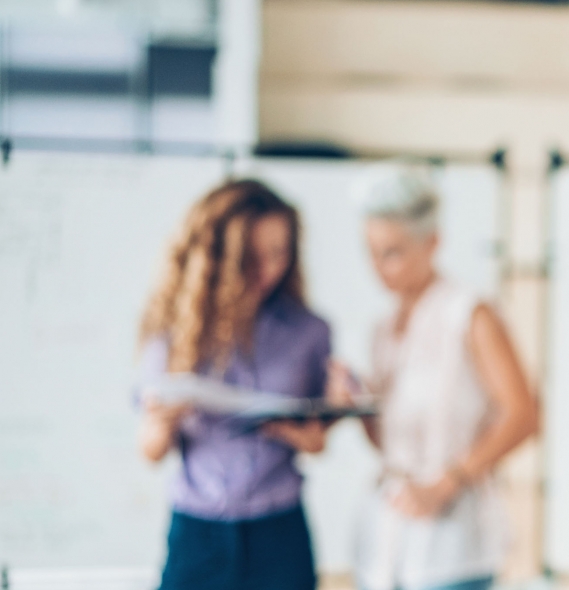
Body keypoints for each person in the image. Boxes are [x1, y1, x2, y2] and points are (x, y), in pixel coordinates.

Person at [330, 164, 540, 590]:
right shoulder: (384, 329)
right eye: (370, 251)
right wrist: (358, 408)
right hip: (387, 533)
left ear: (432, 243)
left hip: (454, 541)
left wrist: (446, 484)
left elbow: (525, 415)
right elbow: (388, 442)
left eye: (392, 252)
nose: (379, 268)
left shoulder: (471, 314)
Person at [137, 179, 332, 590]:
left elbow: (317, 442)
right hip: (198, 532)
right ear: (218, 257)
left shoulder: (308, 332)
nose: (268, 270)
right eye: (251, 258)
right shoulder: (174, 333)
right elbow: (152, 450)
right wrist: (163, 422)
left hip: (279, 532)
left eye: (279, 254)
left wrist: (311, 428)